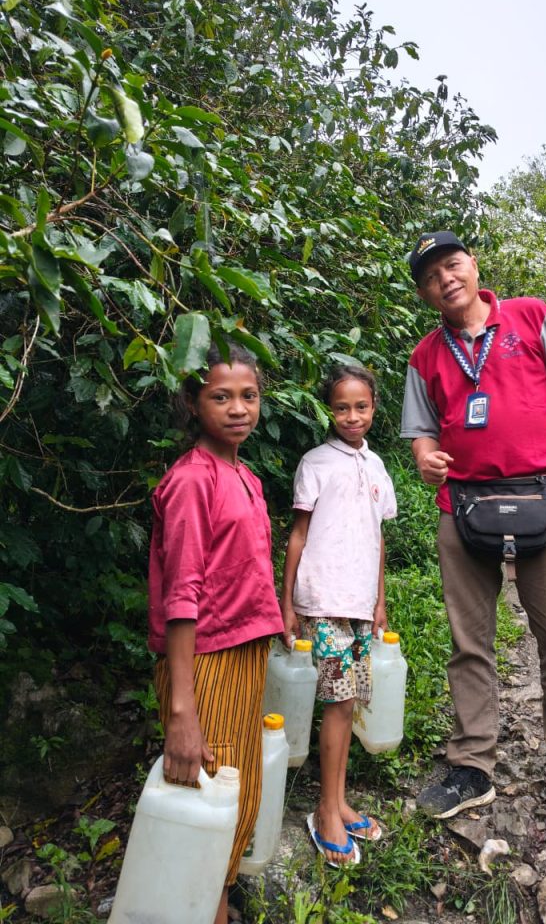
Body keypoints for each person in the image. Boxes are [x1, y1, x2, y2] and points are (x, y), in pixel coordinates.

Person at [400, 231, 546, 832]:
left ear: (473, 265)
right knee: (468, 644)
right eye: (431, 277)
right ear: (425, 294)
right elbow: (421, 430)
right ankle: (472, 765)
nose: (445, 279)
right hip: (464, 508)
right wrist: (424, 455)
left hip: (545, 500)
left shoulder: (532, 317)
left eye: (453, 264)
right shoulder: (425, 356)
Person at [148, 343, 283, 924]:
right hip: (205, 662)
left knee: (236, 789)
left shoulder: (244, 475)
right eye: (220, 397)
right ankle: (203, 907)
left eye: (248, 396)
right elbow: (182, 597)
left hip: (245, 657)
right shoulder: (189, 482)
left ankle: (217, 900)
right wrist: (182, 710)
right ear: (192, 403)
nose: (238, 409)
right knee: (206, 791)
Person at [281, 365, 397, 866]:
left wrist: (380, 601)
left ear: (374, 407)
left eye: (362, 406)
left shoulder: (376, 467)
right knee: (338, 701)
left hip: (359, 606)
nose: (353, 416)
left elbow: (377, 540)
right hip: (322, 599)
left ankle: (339, 801)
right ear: (330, 410)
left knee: (348, 706)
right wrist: (286, 602)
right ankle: (325, 811)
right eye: (342, 407)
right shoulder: (316, 463)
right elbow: (299, 536)